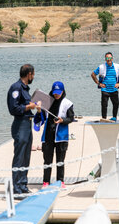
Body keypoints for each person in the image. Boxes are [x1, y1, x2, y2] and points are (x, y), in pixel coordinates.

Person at [7, 64, 41, 196]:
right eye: (33, 74)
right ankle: (16, 189)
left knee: (26, 157)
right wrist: (29, 106)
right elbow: (13, 109)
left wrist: (36, 107)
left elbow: (26, 105)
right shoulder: (16, 88)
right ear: (29, 74)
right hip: (20, 124)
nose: (34, 76)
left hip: (28, 124)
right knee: (19, 157)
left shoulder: (25, 89)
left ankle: (23, 185)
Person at [33, 81, 74, 188]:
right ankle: (46, 181)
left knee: (60, 160)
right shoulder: (46, 102)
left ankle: (60, 181)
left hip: (61, 136)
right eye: (55, 92)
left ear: (63, 91)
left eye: (58, 93)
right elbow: (39, 119)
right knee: (47, 160)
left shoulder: (67, 103)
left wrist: (62, 120)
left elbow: (71, 118)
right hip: (48, 135)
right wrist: (38, 110)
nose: (56, 95)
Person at [91, 52, 119, 120]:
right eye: (107, 58)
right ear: (105, 59)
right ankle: (104, 118)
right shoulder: (101, 67)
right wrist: (98, 83)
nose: (108, 59)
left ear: (112, 58)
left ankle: (114, 117)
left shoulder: (117, 66)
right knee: (104, 105)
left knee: (116, 104)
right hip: (105, 89)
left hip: (114, 89)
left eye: (110, 58)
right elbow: (93, 74)